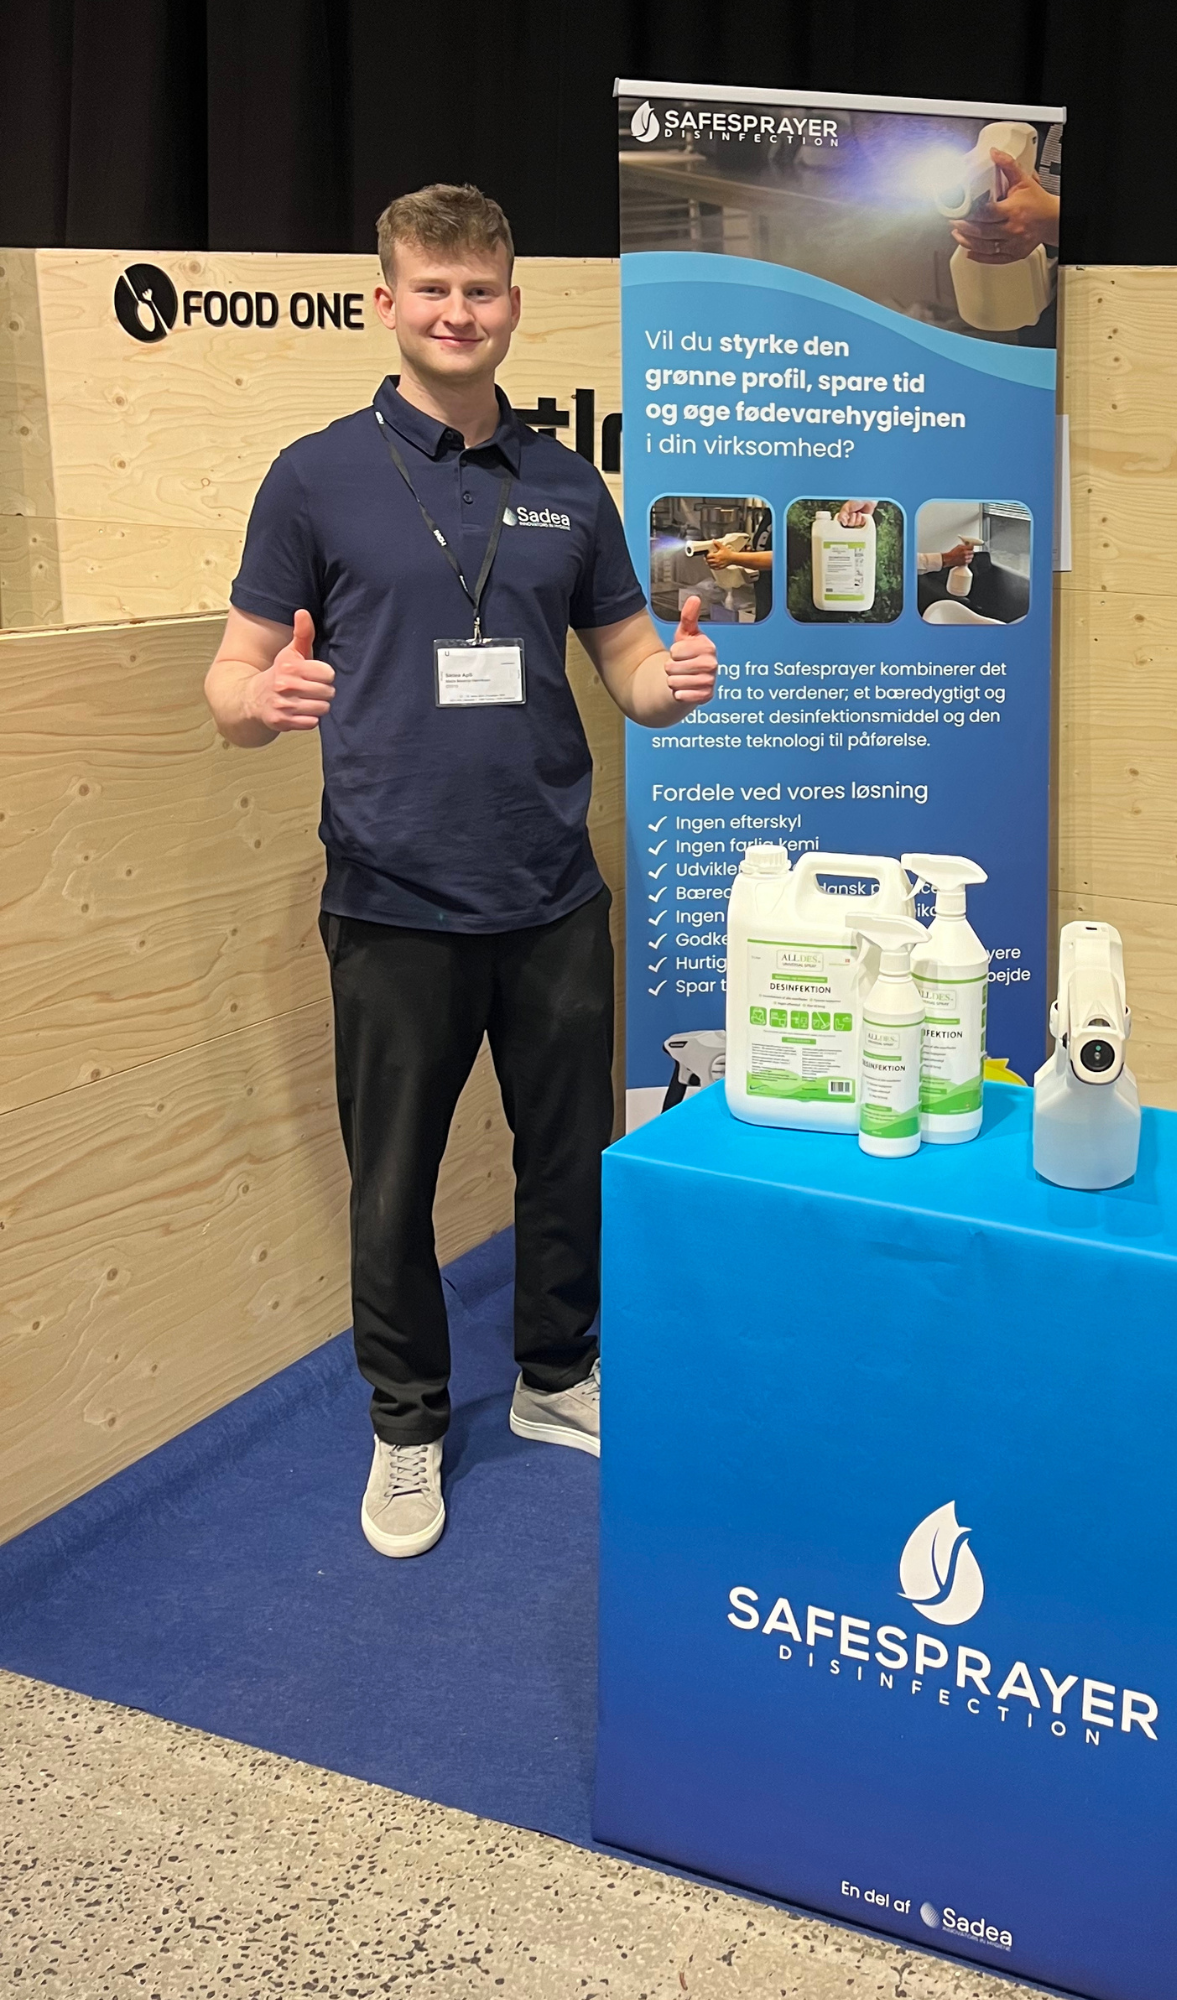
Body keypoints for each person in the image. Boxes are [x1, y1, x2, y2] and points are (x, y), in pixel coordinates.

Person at [203, 185, 718, 1559]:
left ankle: (557, 1375)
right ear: (386, 302)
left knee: (568, 1159)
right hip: (392, 903)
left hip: (553, 896)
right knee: (393, 1184)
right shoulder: (314, 477)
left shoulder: (568, 484)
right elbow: (231, 680)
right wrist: (261, 701)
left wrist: (669, 689)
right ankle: (407, 1425)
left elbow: (625, 662)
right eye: (431, 289)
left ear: (512, 304)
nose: (457, 313)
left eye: (479, 290)